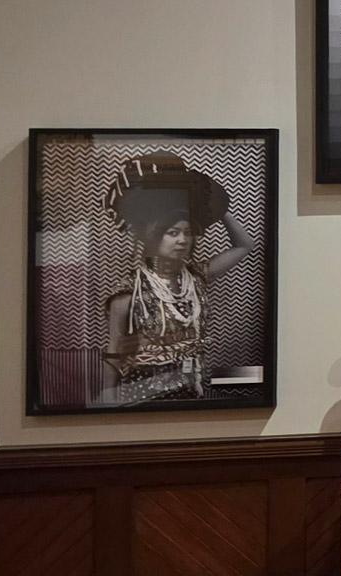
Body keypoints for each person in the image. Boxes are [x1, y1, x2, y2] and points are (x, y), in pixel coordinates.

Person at [100, 153, 259, 406]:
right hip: (143, 396)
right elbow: (114, 352)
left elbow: (245, 245)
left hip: (191, 393)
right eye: (172, 233)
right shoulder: (129, 292)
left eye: (187, 233)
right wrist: (106, 400)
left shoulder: (197, 277)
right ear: (155, 237)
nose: (182, 240)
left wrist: (215, 209)